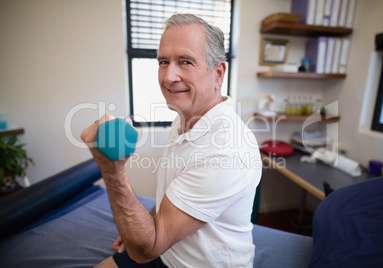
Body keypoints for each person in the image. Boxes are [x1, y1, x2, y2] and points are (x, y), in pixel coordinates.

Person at [81, 14, 262, 267]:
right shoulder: (184, 117)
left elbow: (147, 249)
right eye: (163, 62)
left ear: (218, 73)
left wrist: (113, 171)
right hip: (165, 251)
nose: (168, 76)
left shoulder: (228, 148)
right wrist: (140, 224)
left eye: (185, 61)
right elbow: (171, 194)